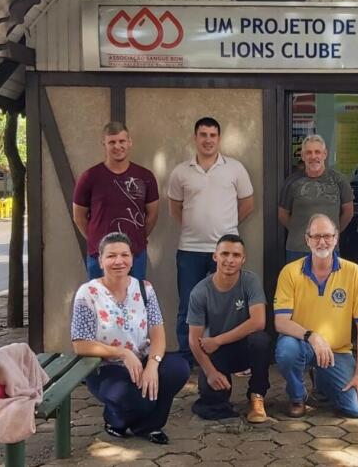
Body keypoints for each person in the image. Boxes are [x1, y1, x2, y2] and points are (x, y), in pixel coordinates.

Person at [70, 232, 189, 445]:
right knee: (135, 399)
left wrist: (153, 364)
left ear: (132, 259)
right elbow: (80, 343)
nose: (118, 261)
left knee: (178, 369)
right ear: (100, 260)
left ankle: (148, 425)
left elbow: (157, 332)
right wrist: (122, 353)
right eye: (111, 256)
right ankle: (114, 418)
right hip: (106, 367)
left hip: (142, 359)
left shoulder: (144, 289)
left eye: (124, 255)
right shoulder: (88, 293)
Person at [274, 214, 358, 418]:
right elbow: (280, 322)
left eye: (327, 236)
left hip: (337, 352)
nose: (322, 242)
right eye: (316, 236)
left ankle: (322, 383)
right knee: (286, 350)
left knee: (357, 408)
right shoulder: (290, 272)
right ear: (307, 239)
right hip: (302, 344)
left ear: (336, 238)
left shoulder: (353, 272)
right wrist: (312, 336)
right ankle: (297, 396)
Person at [168, 117, 255, 363]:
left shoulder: (235, 168)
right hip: (190, 249)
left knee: (229, 306)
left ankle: (226, 356)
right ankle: (188, 358)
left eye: (212, 135)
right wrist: (195, 226)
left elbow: (247, 204)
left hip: (226, 252)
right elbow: (175, 208)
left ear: (219, 138)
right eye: (203, 135)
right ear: (195, 138)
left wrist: (226, 228)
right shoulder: (180, 171)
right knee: (188, 305)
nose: (208, 140)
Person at [187, 234, 271, 423]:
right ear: (215, 256)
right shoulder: (200, 292)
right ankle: (219, 393)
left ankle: (257, 395)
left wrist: (218, 340)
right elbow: (194, 340)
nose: (230, 260)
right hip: (216, 353)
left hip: (241, 346)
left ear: (243, 259)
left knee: (260, 340)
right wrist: (210, 372)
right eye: (225, 254)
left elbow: (258, 322)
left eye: (235, 255)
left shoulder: (250, 281)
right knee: (212, 402)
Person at [73, 122, 159, 281]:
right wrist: (98, 240)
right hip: (99, 256)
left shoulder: (145, 177)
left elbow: (152, 214)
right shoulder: (89, 177)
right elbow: (79, 217)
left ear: (129, 142)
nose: (117, 146)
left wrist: (138, 237)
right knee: (99, 304)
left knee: (133, 303)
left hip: (135, 254)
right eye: (112, 142)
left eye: (122, 141)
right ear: (104, 144)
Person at [279, 134, 354, 262]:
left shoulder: (339, 180)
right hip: (297, 249)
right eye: (308, 153)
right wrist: (299, 231)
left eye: (317, 152)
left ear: (325, 154)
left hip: (329, 248)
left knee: (330, 283)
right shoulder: (292, 182)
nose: (313, 156)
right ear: (303, 156)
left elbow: (348, 212)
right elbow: (283, 214)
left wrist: (333, 233)